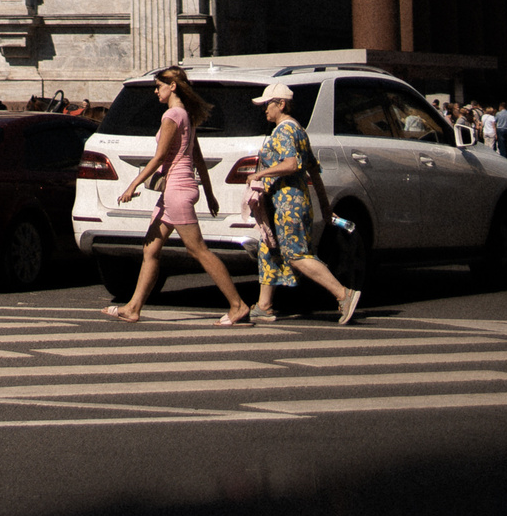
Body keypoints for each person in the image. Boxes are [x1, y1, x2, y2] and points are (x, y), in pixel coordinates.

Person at [108, 66, 251, 324]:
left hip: (176, 190)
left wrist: (133, 184)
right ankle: (133, 307)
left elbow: (160, 156)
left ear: (172, 86)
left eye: (158, 86)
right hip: (176, 191)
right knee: (151, 249)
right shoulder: (184, 115)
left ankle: (238, 305)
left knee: (198, 250)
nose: (155, 91)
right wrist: (208, 193)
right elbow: (196, 157)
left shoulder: (172, 116)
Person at [244, 84, 361, 325]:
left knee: (295, 254)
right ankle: (264, 306)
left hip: (287, 203)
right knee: (269, 249)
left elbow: (291, 165)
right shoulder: (299, 131)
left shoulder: (284, 131)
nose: (265, 109)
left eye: (268, 104)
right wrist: (326, 207)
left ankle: (344, 294)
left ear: (281, 104)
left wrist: (260, 175)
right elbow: (313, 171)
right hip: (293, 202)